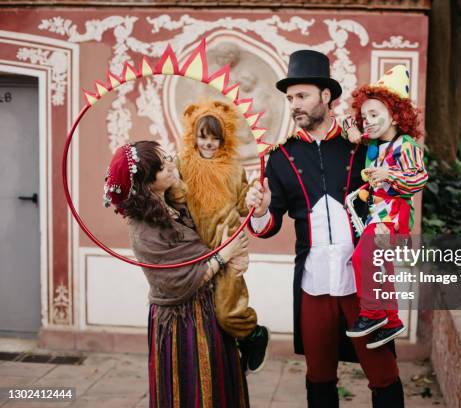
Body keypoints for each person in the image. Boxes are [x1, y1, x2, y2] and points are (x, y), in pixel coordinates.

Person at [245, 50, 404, 407]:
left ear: (326, 96)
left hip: (361, 282)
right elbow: (269, 226)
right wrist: (261, 209)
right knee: (319, 376)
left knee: (383, 373)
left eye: (302, 96)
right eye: (290, 99)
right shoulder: (281, 157)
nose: (294, 105)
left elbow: (394, 188)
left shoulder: (362, 147)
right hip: (313, 284)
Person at [103, 141, 250, 407]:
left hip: (210, 312)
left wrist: (232, 250)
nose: (172, 165)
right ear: (147, 183)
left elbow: (213, 230)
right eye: (162, 166)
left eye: (168, 158)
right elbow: (178, 283)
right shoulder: (144, 232)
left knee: (220, 386)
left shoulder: (177, 204)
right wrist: (224, 255)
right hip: (181, 324)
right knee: (192, 391)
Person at [177, 99, 269, 373]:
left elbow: (243, 204)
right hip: (195, 251)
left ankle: (253, 334)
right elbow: (172, 195)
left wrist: (254, 194)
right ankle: (215, 367)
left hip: (228, 245)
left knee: (228, 311)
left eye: (214, 139)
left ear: (222, 138)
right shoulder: (182, 164)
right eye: (203, 137)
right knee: (200, 318)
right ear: (194, 135)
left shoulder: (233, 168)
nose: (208, 144)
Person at [343, 65, 428, 349]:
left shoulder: (405, 145)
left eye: (374, 115)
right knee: (379, 264)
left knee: (362, 257)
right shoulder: (374, 144)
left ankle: (371, 314)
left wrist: (390, 175)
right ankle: (392, 321)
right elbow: (350, 129)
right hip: (376, 213)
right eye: (364, 115)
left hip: (393, 213)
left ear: (395, 115)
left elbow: (419, 178)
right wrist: (353, 131)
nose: (366, 121)